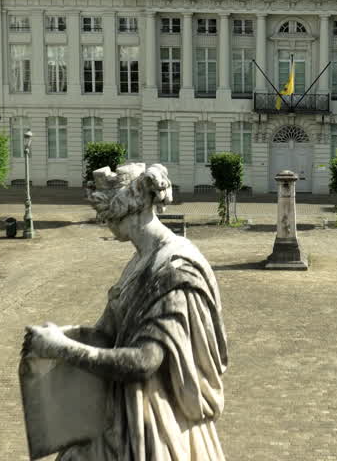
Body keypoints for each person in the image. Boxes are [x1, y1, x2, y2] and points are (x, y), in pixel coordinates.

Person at [22, 162, 228, 460]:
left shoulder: (174, 269)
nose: (101, 219)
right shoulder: (139, 260)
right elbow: (106, 332)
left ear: (126, 206)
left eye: (104, 210)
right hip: (123, 409)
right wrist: (56, 336)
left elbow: (144, 361)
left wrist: (61, 348)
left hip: (154, 421)